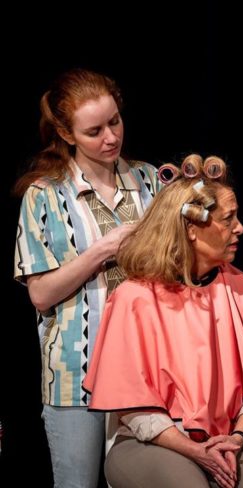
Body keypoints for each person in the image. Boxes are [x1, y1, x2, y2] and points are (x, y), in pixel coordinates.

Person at [82, 154, 243, 488]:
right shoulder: (135, 299)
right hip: (150, 442)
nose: (240, 228)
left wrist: (235, 439)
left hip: (228, 439)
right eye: (228, 219)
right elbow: (132, 406)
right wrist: (193, 449)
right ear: (191, 229)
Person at [13, 68, 160, 487]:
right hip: (77, 374)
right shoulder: (44, 196)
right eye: (94, 130)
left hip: (146, 372)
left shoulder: (149, 181)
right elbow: (40, 295)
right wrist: (101, 251)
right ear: (66, 132)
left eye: (114, 122)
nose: (111, 137)